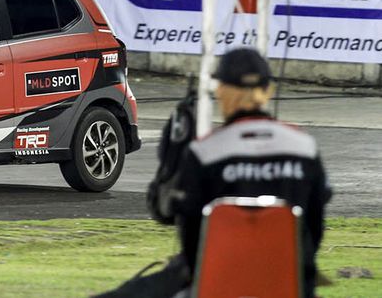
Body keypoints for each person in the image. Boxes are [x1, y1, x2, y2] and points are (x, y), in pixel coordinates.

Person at [96, 47, 331, 298]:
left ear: (221, 91)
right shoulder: (305, 148)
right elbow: (315, 229)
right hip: (291, 286)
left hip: (215, 286)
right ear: (268, 90)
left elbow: (188, 236)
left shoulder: (205, 153)